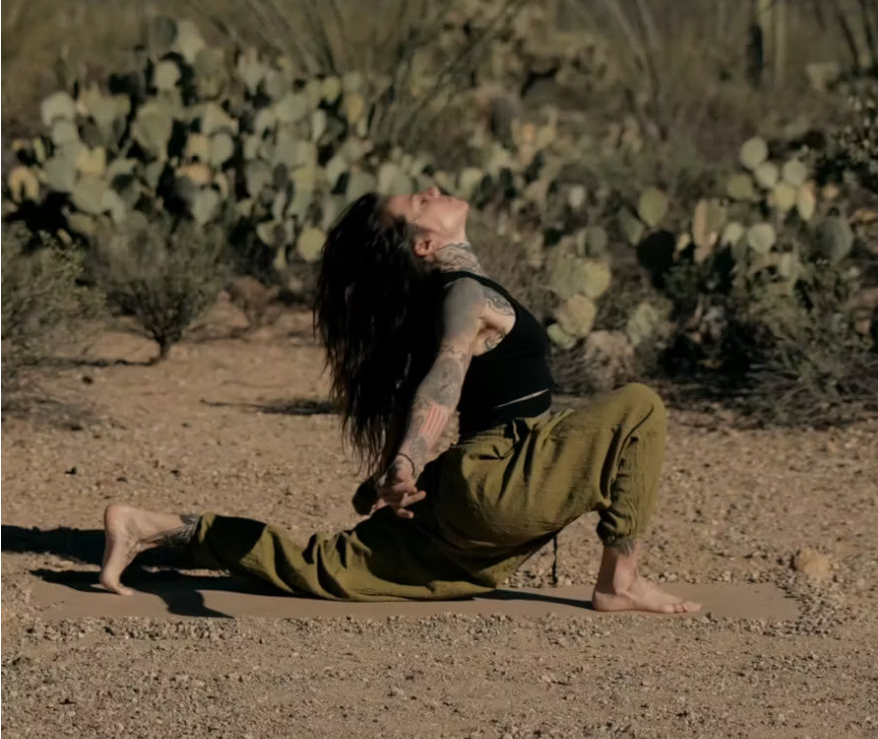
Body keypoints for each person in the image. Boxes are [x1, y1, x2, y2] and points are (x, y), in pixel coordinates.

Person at [100, 187, 700, 614]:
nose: (432, 190)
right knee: (641, 405)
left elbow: (423, 386)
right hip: (501, 477)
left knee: (320, 563)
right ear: (425, 243)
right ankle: (619, 583)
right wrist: (409, 460)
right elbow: (447, 372)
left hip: (464, 497)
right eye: (418, 201)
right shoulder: (464, 295)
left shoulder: (437, 300)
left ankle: (152, 526)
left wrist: (392, 472)